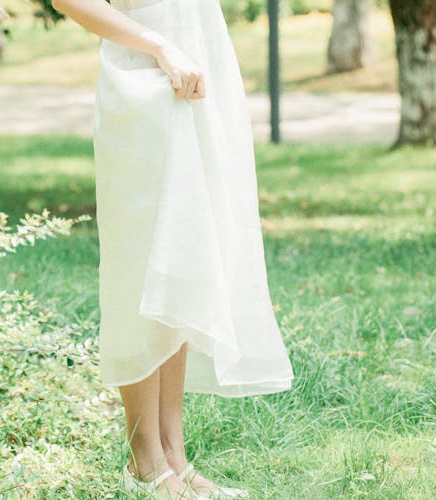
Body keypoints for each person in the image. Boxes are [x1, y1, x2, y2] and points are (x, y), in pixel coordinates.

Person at [51, 0, 295, 498]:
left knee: (184, 257)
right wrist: (160, 45)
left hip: (199, 73)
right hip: (145, 80)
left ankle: (175, 460)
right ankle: (146, 464)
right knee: (140, 265)